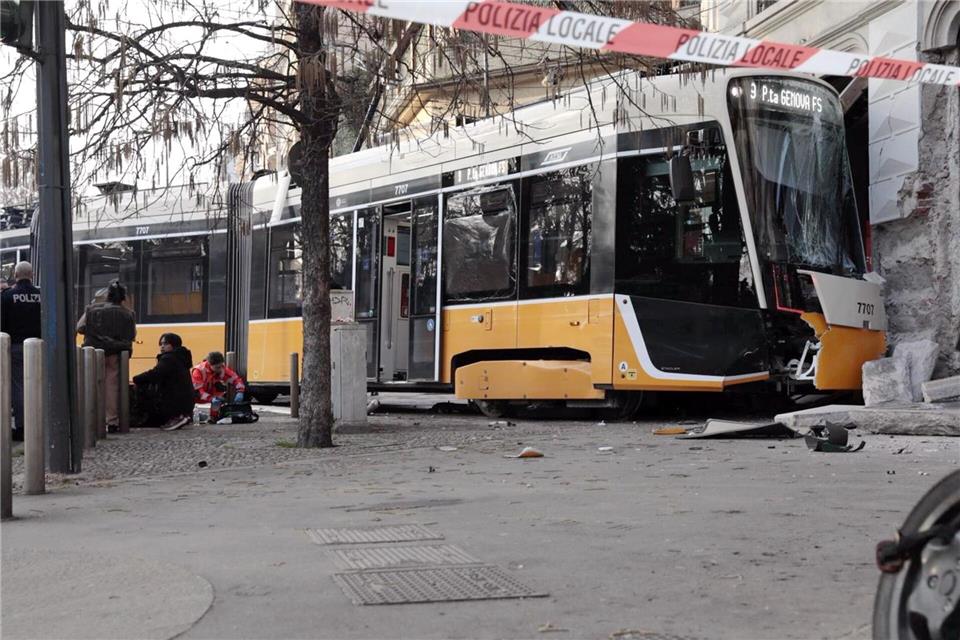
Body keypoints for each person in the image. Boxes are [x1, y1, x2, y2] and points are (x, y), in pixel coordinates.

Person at [77, 280, 137, 432]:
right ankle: (112, 420)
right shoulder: (128, 313)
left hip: (92, 351)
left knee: (92, 384)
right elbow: (131, 335)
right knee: (112, 386)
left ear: (107, 296)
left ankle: (90, 418)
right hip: (115, 353)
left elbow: (80, 327)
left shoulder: (91, 309)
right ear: (123, 298)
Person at [0, 262, 41, 441]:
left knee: (18, 388)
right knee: (39, 385)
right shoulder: (41, 295)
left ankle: (22, 426)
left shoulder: (7, 297)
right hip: (40, 346)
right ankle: (40, 424)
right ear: (31, 275)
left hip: (15, 346)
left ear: (15, 275)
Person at [132, 333, 195, 431]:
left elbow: (154, 374)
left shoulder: (169, 358)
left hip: (174, 403)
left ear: (173, 344)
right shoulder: (181, 357)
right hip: (186, 403)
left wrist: (136, 379)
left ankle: (175, 417)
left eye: (165, 344)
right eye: (161, 344)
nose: (162, 346)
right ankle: (180, 416)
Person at [191, 351, 246, 420]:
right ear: (210, 364)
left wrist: (240, 391)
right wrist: (211, 398)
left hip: (207, 392)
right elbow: (198, 391)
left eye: (221, 366)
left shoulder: (220, 369)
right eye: (217, 367)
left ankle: (214, 417)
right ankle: (190, 415)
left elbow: (236, 379)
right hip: (194, 395)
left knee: (219, 396)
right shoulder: (198, 371)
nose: (220, 369)